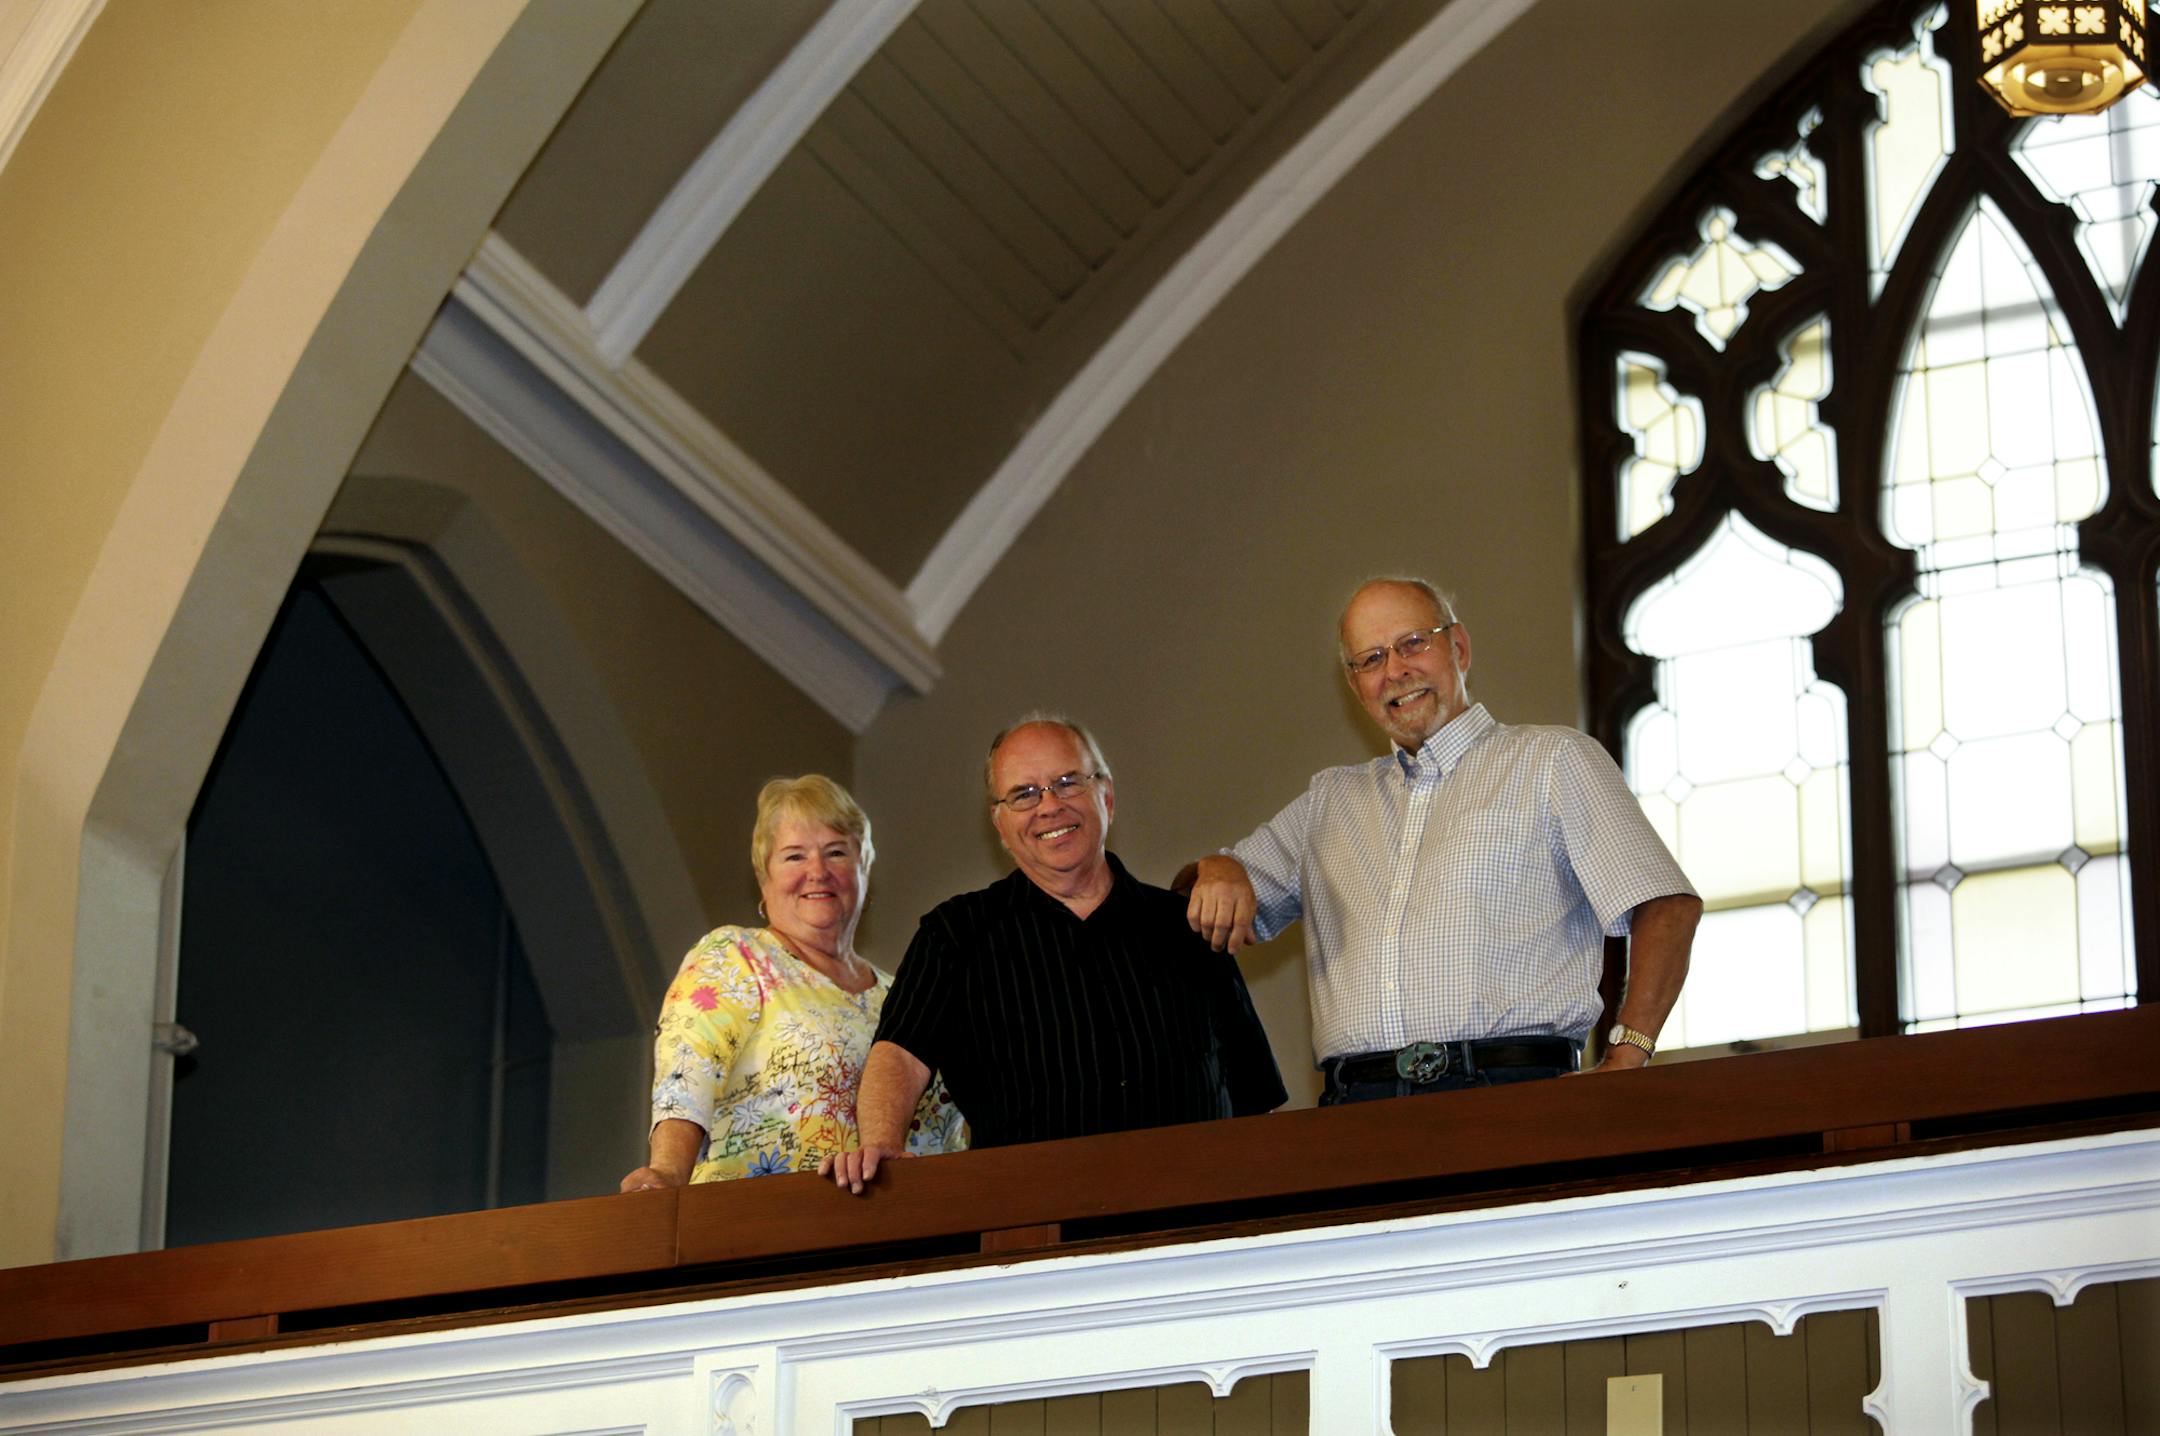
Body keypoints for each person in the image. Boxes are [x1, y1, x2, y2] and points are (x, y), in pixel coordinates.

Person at [1182, 578, 1701, 1104]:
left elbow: (1666, 904)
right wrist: (1217, 867)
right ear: (1354, 683)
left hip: (1514, 1094)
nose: (1395, 671)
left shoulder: (1551, 761)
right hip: (1357, 1110)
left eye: (1413, 643)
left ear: (1459, 647)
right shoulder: (1328, 801)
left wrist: (1628, 1056)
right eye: (1371, 658)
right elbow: (1195, 905)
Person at [821, 716, 1285, 1192]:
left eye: (1067, 783)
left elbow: (1256, 1101)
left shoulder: (1187, 926)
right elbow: (899, 1053)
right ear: (1000, 825)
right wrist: (880, 1144)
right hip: (1029, 1235)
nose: (1049, 806)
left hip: (1195, 1227)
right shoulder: (955, 934)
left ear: (1106, 797)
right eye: (1023, 794)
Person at [620, 775, 964, 1189]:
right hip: (760, 1227)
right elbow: (686, 1078)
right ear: (763, 878)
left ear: (865, 868)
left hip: (905, 1235)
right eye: (794, 857)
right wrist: (667, 1173)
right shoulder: (735, 956)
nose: (818, 872)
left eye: (836, 852)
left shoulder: (904, 995)